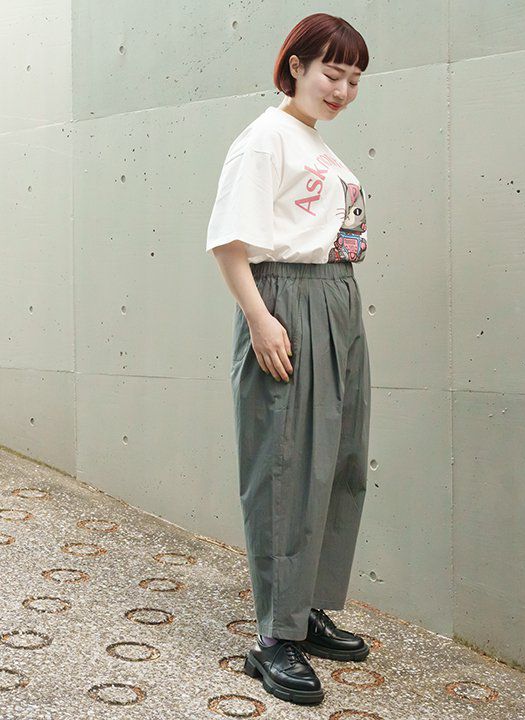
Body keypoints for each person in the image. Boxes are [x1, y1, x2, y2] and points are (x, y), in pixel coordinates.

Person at [206, 12, 371, 706]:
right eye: (332, 72)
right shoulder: (264, 138)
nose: (342, 89)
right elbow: (228, 241)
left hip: (336, 299)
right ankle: (273, 636)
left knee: (338, 462)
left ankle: (305, 611)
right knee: (285, 467)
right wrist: (260, 319)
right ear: (296, 64)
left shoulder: (314, 141)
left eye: (354, 79)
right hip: (285, 300)